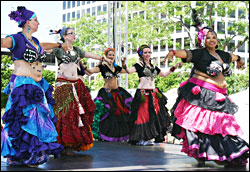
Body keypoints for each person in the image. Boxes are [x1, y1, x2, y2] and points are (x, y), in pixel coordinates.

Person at [163, 9, 249, 168]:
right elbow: (186, 53)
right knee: (202, 127)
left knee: (222, 128)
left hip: (221, 96)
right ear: (203, 40)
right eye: (208, 37)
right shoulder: (200, 54)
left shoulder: (222, 54)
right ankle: (201, 153)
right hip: (203, 94)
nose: (212, 40)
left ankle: (224, 154)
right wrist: (174, 52)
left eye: (214, 37)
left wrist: (240, 61)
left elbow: (235, 57)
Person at [1, 6, 66, 167]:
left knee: (37, 120)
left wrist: (59, 45)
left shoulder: (35, 42)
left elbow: (45, 45)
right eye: (36, 20)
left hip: (37, 85)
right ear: (28, 22)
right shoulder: (16, 38)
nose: (39, 23)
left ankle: (30, 154)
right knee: (24, 118)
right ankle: (19, 154)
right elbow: (3, 42)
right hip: (23, 85)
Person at [49, 27, 113, 155]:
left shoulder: (77, 50)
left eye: (74, 33)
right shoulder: (58, 49)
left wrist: (103, 58)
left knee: (76, 114)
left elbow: (90, 54)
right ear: (64, 36)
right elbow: (43, 49)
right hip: (63, 84)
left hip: (76, 84)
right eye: (70, 33)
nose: (74, 35)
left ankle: (72, 143)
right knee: (65, 114)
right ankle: (63, 144)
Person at [121, 44, 182, 146]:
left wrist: (174, 67)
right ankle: (141, 138)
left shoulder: (153, 67)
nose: (148, 54)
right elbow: (128, 71)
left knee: (154, 116)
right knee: (143, 116)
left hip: (153, 94)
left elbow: (164, 74)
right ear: (141, 54)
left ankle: (151, 137)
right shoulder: (138, 65)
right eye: (145, 52)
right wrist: (123, 64)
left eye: (149, 52)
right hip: (143, 93)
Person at [84, 48, 133, 142]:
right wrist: (84, 67)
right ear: (106, 56)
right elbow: (90, 72)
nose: (111, 57)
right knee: (109, 112)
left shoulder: (116, 67)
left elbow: (127, 71)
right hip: (106, 92)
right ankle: (105, 135)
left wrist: (123, 63)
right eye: (109, 55)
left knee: (121, 113)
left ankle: (118, 136)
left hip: (117, 92)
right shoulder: (103, 67)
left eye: (113, 55)